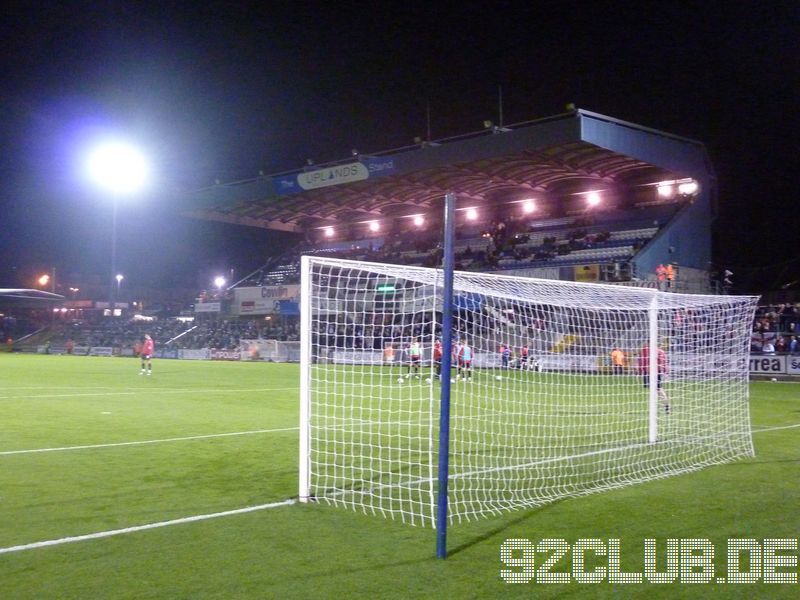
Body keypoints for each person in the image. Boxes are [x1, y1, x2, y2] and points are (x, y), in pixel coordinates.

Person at [638, 343, 669, 413]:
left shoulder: (644, 350)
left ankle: (658, 406)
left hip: (648, 372)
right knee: (658, 389)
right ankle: (665, 405)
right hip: (656, 372)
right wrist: (665, 372)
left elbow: (641, 361)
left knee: (655, 389)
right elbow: (663, 362)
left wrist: (640, 371)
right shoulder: (660, 351)